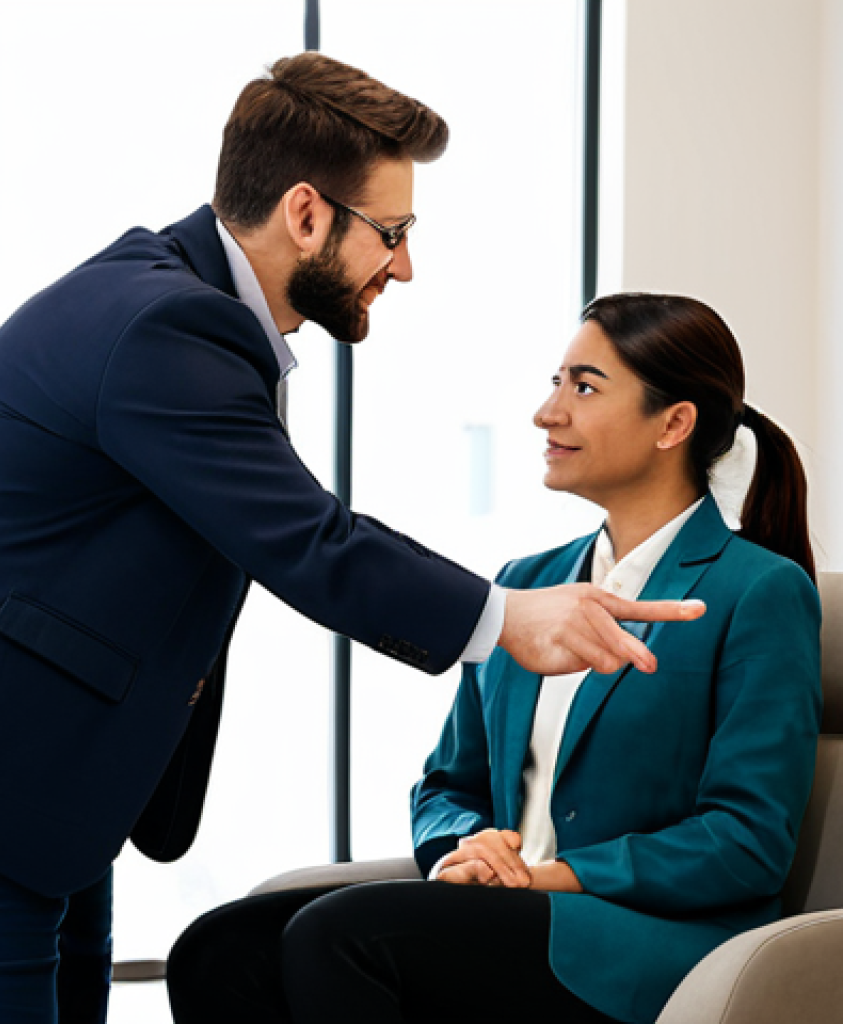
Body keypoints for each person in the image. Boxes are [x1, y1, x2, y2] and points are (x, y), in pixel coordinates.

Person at [0, 54, 700, 1024]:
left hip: (38, 783)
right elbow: (309, 542)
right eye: (393, 234)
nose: (402, 265)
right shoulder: (169, 324)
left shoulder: (187, 306)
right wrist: (506, 619)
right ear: (307, 214)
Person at [165, 293, 822, 1024]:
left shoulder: (758, 590)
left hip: (648, 939)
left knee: (339, 938)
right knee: (217, 947)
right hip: (507, 910)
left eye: (584, 386)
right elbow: (448, 783)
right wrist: (462, 849)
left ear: (674, 422)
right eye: (555, 382)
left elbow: (746, 840)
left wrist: (553, 876)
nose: (548, 413)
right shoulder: (524, 586)